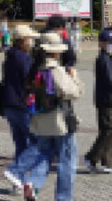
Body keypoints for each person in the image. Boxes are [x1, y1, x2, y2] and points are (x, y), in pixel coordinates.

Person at [21, 32, 83, 201]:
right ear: (56, 51)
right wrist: (75, 79)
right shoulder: (55, 70)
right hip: (60, 121)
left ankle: (33, 183)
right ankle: (63, 197)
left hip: (41, 120)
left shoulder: (36, 68)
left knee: (44, 155)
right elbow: (72, 92)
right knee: (67, 161)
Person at [82, 29, 112, 174]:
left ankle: (108, 163)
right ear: (102, 43)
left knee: (110, 130)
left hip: (108, 99)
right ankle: (91, 157)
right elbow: (110, 80)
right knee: (108, 130)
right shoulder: (104, 59)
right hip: (107, 99)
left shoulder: (106, 57)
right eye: (109, 42)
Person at [2, 25, 39, 194]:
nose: (31, 42)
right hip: (22, 104)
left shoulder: (9, 56)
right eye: (30, 39)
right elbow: (30, 80)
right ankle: (16, 171)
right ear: (23, 40)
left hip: (9, 104)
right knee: (38, 142)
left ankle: (18, 183)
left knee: (20, 144)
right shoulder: (23, 58)